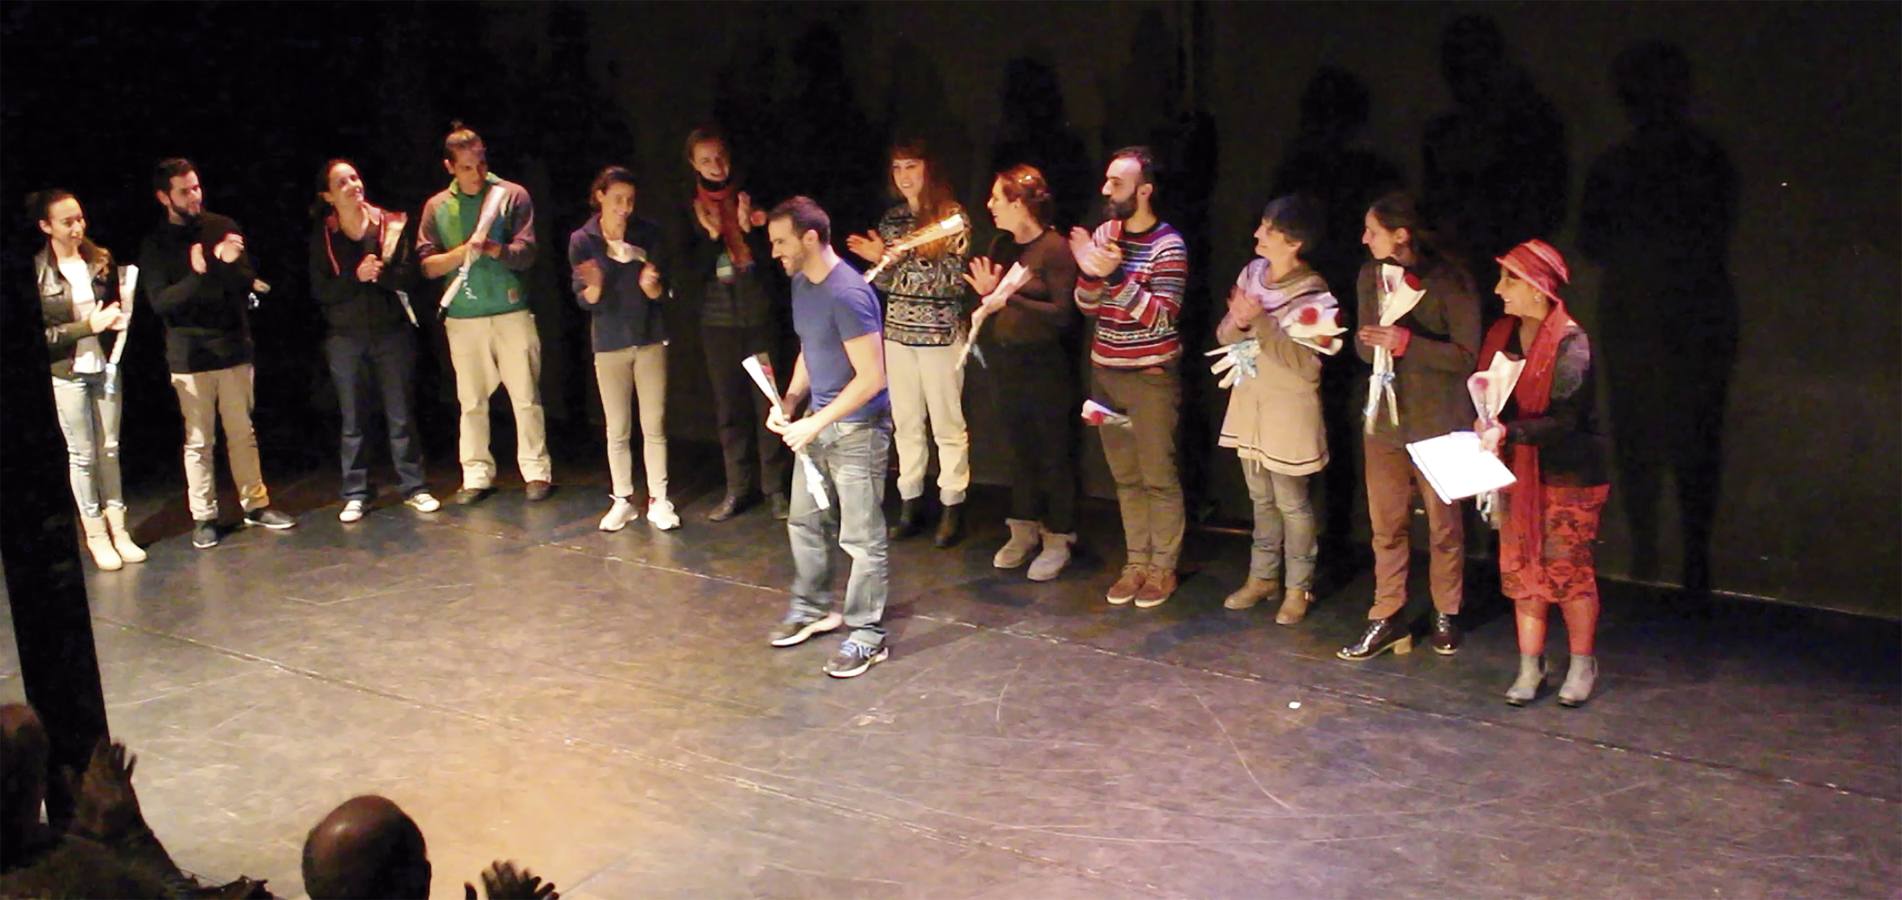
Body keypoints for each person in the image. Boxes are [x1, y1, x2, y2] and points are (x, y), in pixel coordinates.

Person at [1339, 191, 1480, 661]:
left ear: (1401, 234)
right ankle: (1388, 613)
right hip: (1385, 417)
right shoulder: (1370, 276)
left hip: (1439, 420)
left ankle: (1447, 610)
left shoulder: (1450, 280)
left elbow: (1466, 356)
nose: (1364, 239)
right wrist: (1370, 341)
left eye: (1372, 231)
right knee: (1386, 523)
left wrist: (1406, 343)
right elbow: (1364, 350)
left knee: (1444, 526)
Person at [763, 197, 894, 679]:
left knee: (860, 537)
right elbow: (810, 348)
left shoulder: (848, 294)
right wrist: (791, 401)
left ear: (811, 238)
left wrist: (815, 423)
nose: (775, 252)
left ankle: (867, 635)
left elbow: (872, 377)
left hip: (857, 431)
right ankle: (814, 608)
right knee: (805, 520)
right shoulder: (802, 283)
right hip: (818, 423)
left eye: (781, 242)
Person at [1478, 240, 1611, 706]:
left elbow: (1565, 420)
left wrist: (1507, 432)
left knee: (1567, 572)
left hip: (1568, 475)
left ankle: (1581, 663)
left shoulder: (1571, 343)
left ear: (1538, 288)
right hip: (1519, 471)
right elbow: (1487, 395)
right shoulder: (1503, 335)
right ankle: (1530, 665)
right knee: (1523, 571)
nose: (1499, 290)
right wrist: (1486, 423)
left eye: (1509, 280)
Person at [139, 158, 297, 549]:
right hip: (189, 356)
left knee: (243, 433)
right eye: (184, 191)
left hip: (233, 347)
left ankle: (255, 504)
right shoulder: (155, 243)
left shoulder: (222, 226)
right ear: (164, 197)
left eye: (196, 187)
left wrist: (224, 263)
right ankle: (204, 516)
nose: (194, 196)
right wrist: (202, 271)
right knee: (199, 441)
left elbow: (245, 280)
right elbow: (162, 302)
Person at [1069, 146, 1190, 608]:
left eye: (1117, 184)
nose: (1106, 190)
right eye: (1106, 181)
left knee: (1158, 476)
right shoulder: (1106, 234)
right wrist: (1090, 272)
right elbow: (1086, 307)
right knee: (1125, 477)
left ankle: (1162, 567)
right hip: (1107, 373)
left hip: (1149, 378)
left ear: (1144, 191)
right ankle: (1136, 562)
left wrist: (1115, 273)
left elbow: (1161, 319)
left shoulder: (1168, 245)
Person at [1214, 196, 1340, 624]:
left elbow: (1306, 365)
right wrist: (1239, 321)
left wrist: (1261, 322)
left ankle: (1298, 586)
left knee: (1291, 502)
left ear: (1293, 242)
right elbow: (1226, 335)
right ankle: (1262, 576)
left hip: (1288, 407)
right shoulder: (1252, 273)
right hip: (1252, 399)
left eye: (1268, 230)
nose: (1257, 234)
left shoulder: (1313, 292)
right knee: (1260, 497)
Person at [846, 139, 971, 547]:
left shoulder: (951, 218)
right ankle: (910, 502)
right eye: (898, 168)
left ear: (929, 168)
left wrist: (889, 258)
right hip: (898, 333)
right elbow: (885, 282)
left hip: (940, 334)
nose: (904, 176)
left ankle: (952, 504)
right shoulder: (894, 219)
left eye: (912, 166)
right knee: (906, 422)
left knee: (947, 425)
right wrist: (881, 260)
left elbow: (948, 282)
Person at [416, 124, 550, 506]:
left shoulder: (510, 195)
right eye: (466, 167)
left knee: (525, 396)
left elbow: (527, 253)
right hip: (464, 316)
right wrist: (463, 252)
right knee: (472, 400)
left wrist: (494, 248)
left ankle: (536, 471)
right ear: (450, 167)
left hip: (511, 311)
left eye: (481, 163)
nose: (476, 173)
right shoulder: (437, 207)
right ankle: (475, 474)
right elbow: (427, 265)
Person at [963, 164, 1080, 581]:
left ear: (1019, 203)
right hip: (1007, 361)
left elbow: (1063, 313)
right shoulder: (1003, 245)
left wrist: (1007, 296)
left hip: (1044, 365)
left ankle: (1059, 536)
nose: (990, 205)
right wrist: (991, 297)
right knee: (1017, 450)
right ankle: (1023, 528)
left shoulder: (1054, 248)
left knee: (1052, 452)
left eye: (998, 198)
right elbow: (995, 298)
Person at [310, 160, 441, 523]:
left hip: (391, 332)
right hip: (345, 337)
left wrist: (380, 275)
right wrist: (355, 276)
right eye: (342, 182)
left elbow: (410, 275)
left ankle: (414, 486)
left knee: (401, 414)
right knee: (353, 418)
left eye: (354, 177)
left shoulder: (389, 224)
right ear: (328, 196)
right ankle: (356, 492)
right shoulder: (325, 235)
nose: (353, 185)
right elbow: (321, 290)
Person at [679, 127, 790, 522]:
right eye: (706, 160)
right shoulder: (689, 207)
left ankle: (776, 488)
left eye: (720, 157)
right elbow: (686, 270)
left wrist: (750, 229)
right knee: (729, 408)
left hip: (757, 316)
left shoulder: (751, 196)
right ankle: (738, 488)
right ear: (693, 164)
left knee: (770, 403)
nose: (715, 166)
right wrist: (712, 236)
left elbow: (776, 260)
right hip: (718, 322)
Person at [31, 190, 144, 570]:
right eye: (67, 222)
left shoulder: (100, 260)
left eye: (79, 218)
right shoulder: (39, 271)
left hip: (105, 367)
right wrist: (87, 326)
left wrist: (115, 319)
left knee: (109, 449)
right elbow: (43, 336)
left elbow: (113, 306)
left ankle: (120, 530)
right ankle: (96, 535)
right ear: (46, 226)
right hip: (67, 373)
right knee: (82, 455)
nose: (77, 227)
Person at [570, 166, 677, 532]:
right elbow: (584, 299)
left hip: (649, 339)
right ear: (599, 196)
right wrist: (595, 287)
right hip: (609, 343)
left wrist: (653, 287)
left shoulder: (649, 233)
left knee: (654, 424)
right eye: (617, 199)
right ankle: (622, 500)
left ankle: (659, 499)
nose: (625, 208)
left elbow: (665, 291)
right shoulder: (583, 240)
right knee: (617, 427)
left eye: (630, 200)